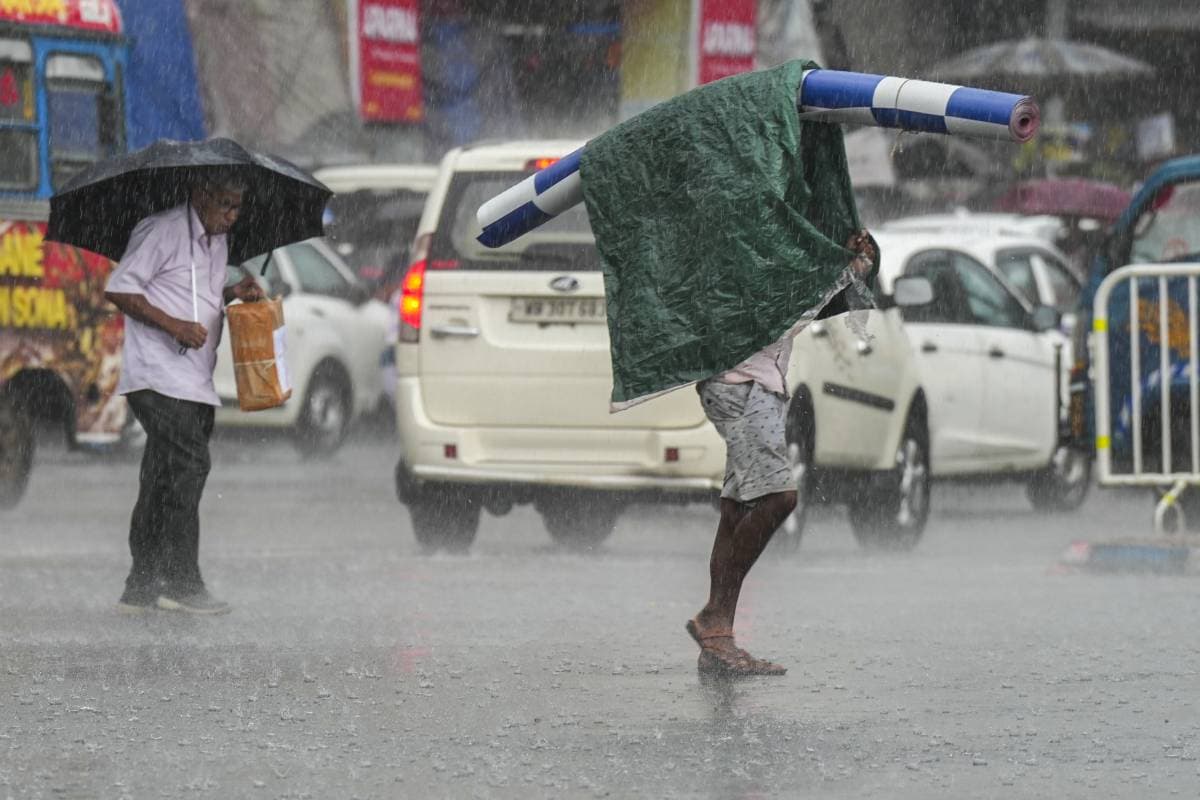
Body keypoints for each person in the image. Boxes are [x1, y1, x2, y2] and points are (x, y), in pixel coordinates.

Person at [686, 230, 878, 675]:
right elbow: (784, 311)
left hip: (748, 384)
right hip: (742, 385)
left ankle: (718, 640)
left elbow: (814, 306)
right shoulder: (754, 243)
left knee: (736, 508)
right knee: (779, 498)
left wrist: (856, 267)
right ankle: (714, 616)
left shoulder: (765, 239)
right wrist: (847, 272)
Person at [104, 169, 263, 615]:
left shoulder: (218, 241)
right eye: (225, 204)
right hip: (156, 376)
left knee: (162, 477)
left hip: (196, 380)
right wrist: (172, 325)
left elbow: (199, 297)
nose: (231, 216)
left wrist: (234, 292)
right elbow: (120, 289)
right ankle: (181, 581)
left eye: (237, 207)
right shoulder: (162, 230)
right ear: (200, 194)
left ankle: (140, 587)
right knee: (190, 465)